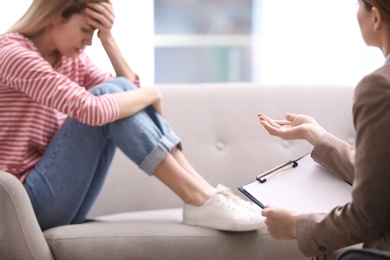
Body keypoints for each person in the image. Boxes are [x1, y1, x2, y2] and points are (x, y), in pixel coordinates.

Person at [0, 0, 263, 232]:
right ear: (57, 15)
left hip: (57, 198)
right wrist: (153, 94)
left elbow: (129, 93)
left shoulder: (69, 59)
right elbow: (95, 110)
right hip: (20, 205)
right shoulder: (13, 53)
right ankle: (200, 198)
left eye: (95, 34)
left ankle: (204, 195)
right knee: (106, 95)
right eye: (86, 30)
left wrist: (108, 39)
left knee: (115, 92)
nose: (89, 42)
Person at [257, 0, 390, 258]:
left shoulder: (379, 88)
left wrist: (297, 225)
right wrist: (317, 136)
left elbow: (368, 217)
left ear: (375, 17)